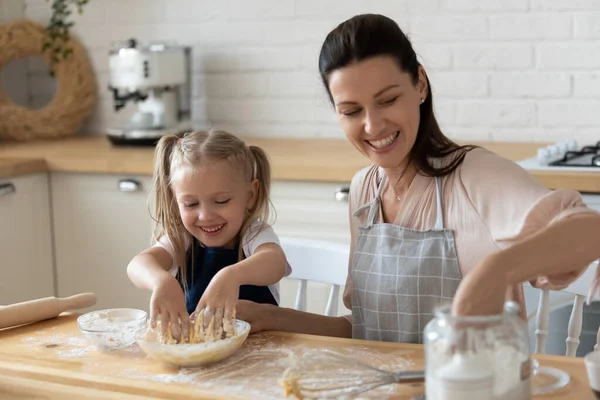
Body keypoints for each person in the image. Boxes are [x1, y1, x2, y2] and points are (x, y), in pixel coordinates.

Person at [235, 13, 600, 343]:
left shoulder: (474, 176)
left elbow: (589, 231)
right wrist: (268, 316)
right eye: (351, 110)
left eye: (388, 100)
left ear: (420, 85)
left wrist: (495, 271)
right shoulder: (365, 188)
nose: (372, 125)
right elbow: (366, 331)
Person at [127, 130, 290, 342]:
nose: (205, 216)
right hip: (194, 357)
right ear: (174, 200)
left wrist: (231, 276)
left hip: (259, 356)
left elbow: (275, 263)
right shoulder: (182, 240)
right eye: (191, 204)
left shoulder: (253, 234)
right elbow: (137, 264)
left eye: (221, 201)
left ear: (250, 195)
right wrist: (161, 281)